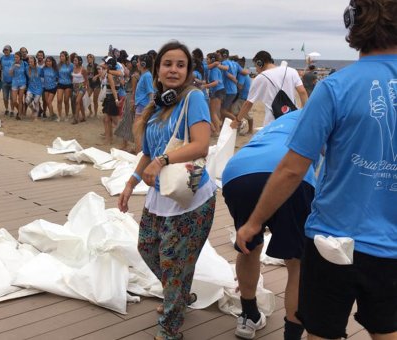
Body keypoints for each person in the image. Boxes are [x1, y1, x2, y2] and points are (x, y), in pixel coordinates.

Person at [237, 1, 397, 339]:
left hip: (333, 240)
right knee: (387, 331)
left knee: (322, 333)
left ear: (352, 24)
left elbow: (293, 170)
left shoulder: (335, 87)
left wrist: (254, 222)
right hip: (391, 245)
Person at [119, 40, 216, 340]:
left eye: (180, 65)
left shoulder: (194, 98)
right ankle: (180, 292)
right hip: (160, 194)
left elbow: (202, 144)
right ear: (157, 70)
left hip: (190, 196)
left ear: (188, 71)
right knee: (148, 248)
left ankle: (170, 329)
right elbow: (147, 153)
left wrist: (163, 161)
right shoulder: (157, 105)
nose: (174, 69)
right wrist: (130, 182)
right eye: (168, 64)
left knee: (174, 262)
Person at [222, 110, 316, 340]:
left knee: (248, 246)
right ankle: (291, 336)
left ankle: (249, 315)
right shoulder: (324, 116)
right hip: (291, 175)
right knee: (297, 262)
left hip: (238, 173)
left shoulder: (282, 121)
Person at [234, 51, 308, 132]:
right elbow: (302, 92)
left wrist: (237, 120)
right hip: (292, 118)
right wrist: (304, 113)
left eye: (256, 66)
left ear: (260, 63)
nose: (256, 70)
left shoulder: (260, 78)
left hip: (273, 122)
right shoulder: (291, 71)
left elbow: (248, 103)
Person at [115, 56, 139, 151]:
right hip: (129, 97)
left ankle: (127, 145)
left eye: (128, 62)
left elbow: (133, 91)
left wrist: (132, 101)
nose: (126, 64)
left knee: (128, 120)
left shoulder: (134, 75)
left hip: (131, 98)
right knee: (127, 121)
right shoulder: (134, 74)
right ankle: (127, 144)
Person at [102, 57, 121, 144]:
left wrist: (116, 99)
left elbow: (113, 88)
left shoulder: (110, 74)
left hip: (112, 98)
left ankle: (125, 139)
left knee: (116, 121)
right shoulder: (117, 74)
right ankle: (109, 139)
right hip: (110, 98)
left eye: (107, 64)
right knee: (106, 119)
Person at [205, 52, 225, 133]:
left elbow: (215, 82)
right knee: (215, 112)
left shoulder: (214, 70)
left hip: (217, 91)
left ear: (212, 60)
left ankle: (217, 131)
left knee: (213, 113)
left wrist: (205, 86)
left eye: (207, 59)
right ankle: (217, 130)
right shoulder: (213, 69)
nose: (206, 60)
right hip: (219, 90)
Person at [9, 51, 27, 119]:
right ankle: (21, 110)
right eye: (15, 57)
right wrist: (14, 66)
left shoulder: (24, 63)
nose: (15, 58)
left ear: (20, 58)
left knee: (20, 99)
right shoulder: (12, 63)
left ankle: (19, 114)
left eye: (17, 57)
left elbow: (28, 71)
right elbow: (10, 74)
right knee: (14, 101)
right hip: (15, 83)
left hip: (22, 82)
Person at [56, 51, 73, 122]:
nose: (61, 57)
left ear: (66, 57)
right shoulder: (58, 65)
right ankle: (59, 116)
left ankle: (66, 115)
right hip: (60, 84)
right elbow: (56, 75)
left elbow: (73, 75)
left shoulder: (71, 65)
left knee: (66, 101)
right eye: (60, 56)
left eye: (62, 56)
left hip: (68, 84)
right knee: (59, 100)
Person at [71, 56, 88, 124]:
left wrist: (82, 87)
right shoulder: (73, 68)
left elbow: (86, 80)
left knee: (77, 101)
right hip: (75, 87)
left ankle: (76, 118)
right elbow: (73, 78)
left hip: (82, 87)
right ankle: (83, 117)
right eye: (74, 60)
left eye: (75, 60)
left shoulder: (83, 69)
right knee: (80, 103)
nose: (74, 62)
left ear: (80, 61)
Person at [25, 56, 43, 121]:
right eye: (29, 62)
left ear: (35, 62)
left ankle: (36, 117)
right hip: (30, 88)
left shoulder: (39, 69)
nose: (30, 63)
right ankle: (33, 110)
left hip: (38, 88)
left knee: (36, 102)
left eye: (31, 62)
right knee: (27, 101)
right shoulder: (26, 69)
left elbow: (44, 76)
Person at [0, 45, 15, 116]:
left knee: (12, 98)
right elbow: (0, 68)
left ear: (10, 50)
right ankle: (6, 109)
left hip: (13, 81)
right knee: (5, 97)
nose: (6, 51)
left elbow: (20, 61)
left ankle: (12, 110)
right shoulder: (2, 58)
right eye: (4, 50)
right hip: (4, 81)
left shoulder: (14, 57)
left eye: (7, 50)